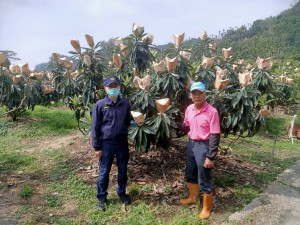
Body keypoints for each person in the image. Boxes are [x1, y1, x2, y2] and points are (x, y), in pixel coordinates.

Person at [176, 82, 220, 220]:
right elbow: (186, 126)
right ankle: (193, 198)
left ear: (205, 94)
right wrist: (170, 123)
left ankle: (206, 208)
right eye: (194, 93)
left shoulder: (212, 111)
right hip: (191, 143)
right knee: (190, 172)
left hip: (204, 145)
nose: (197, 96)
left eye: (200, 93)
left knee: (204, 176)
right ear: (191, 95)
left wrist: (210, 156)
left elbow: (215, 135)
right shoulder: (189, 108)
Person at [91, 75, 132, 211]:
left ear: (119, 87)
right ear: (105, 88)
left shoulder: (125, 104)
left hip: (122, 143)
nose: (113, 89)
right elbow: (95, 127)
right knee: (104, 172)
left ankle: (121, 193)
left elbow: (128, 121)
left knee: (123, 170)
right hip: (106, 144)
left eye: (115, 87)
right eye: (110, 87)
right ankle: (102, 197)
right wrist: (97, 147)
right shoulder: (100, 105)